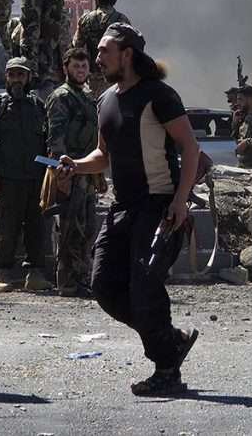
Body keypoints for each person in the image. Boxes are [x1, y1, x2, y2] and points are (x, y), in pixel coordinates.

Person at [58, 23, 200, 397]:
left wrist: (180, 201)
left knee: (145, 285)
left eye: (105, 50)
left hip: (158, 207)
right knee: (104, 286)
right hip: (122, 209)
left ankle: (166, 369)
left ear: (128, 54)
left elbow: (190, 147)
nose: (98, 57)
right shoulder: (105, 100)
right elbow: (102, 155)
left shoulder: (159, 95)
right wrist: (75, 164)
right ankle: (171, 341)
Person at [0, 57, 52, 293]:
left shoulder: (38, 106)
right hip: (8, 178)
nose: (17, 80)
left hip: (35, 178)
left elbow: (46, 141)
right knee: (7, 228)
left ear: (29, 78)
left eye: (21, 75)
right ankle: (3, 273)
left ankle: (35, 274)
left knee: (36, 227)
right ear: (6, 78)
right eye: (12, 75)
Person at [45, 48, 99, 297]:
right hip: (69, 169)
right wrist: (61, 173)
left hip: (86, 170)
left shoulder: (87, 97)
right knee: (69, 227)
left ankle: (83, 278)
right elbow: (56, 139)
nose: (81, 71)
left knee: (87, 227)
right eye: (76, 66)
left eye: (84, 67)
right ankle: (68, 281)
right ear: (66, 68)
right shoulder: (61, 97)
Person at [72, 0, 131, 97]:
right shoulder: (122, 20)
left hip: (93, 77)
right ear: (114, 0)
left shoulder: (86, 19)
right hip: (115, 77)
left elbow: (76, 46)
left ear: (97, 0)